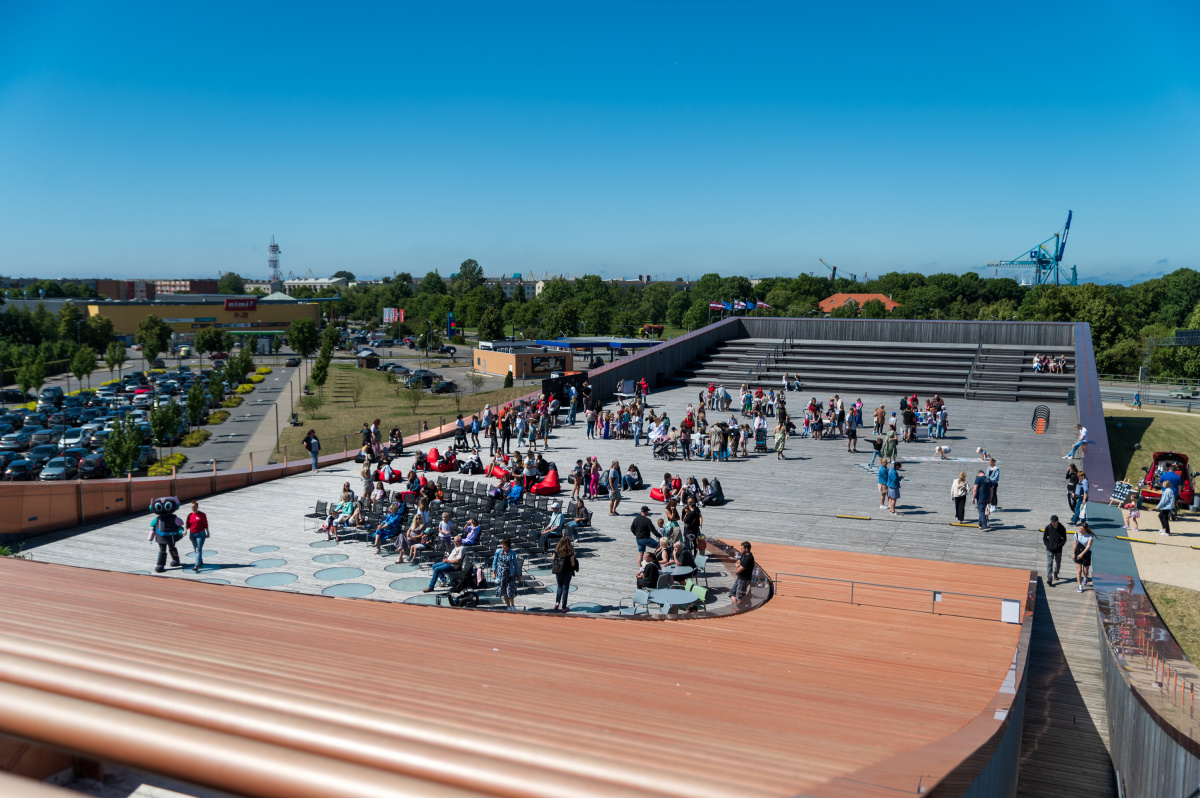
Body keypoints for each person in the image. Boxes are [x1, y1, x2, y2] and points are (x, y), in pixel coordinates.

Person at [552, 536, 578, 612]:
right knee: (565, 588)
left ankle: (557, 602)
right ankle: (564, 607)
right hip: (567, 571)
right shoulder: (570, 551)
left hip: (558, 571)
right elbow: (572, 564)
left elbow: (553, 558)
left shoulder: (557, 550)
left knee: (559, 586)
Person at [1042, 515, 1068, 587]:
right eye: (1051, 521)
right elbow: (1044, 538)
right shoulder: (1048, 527)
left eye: (1053, 521)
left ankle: (1056, 572)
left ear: (1057, 521)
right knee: (1049, 563)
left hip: (1058, 550)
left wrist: (1059, 545)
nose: (1052, 522)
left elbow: (1064, 539)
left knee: (1058, 562)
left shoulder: (1062, 528)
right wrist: (1048, 545)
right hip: (1049, 549)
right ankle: (1049, 578)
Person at [186, 500, 209, 573]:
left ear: (197, 507)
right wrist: (185, 530)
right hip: (192, 534)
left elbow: (205, 524)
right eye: (192, 507)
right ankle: (200, 560)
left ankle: (196, 565)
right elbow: (187, 525)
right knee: (196, 549)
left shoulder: (202, 515)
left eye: (195, 507)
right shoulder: (190, 515)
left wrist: (208, 532)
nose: (193, 508)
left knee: (198, 549)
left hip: (200, 534)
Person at [1073, 522, 1095, 592]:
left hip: (1086, 553)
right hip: (1078, 552)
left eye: (1082, 529)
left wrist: (1082, 554)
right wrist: (1074, 554)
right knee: (1079, 570)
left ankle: (1085, 577)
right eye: (1080, 528)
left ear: (1086, 529)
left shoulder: (1090, 536)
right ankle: (1079, 585)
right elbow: (1075, 545)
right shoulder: (1076, 535)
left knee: (1085, 570)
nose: (1080, 530)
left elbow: (1088, 546)